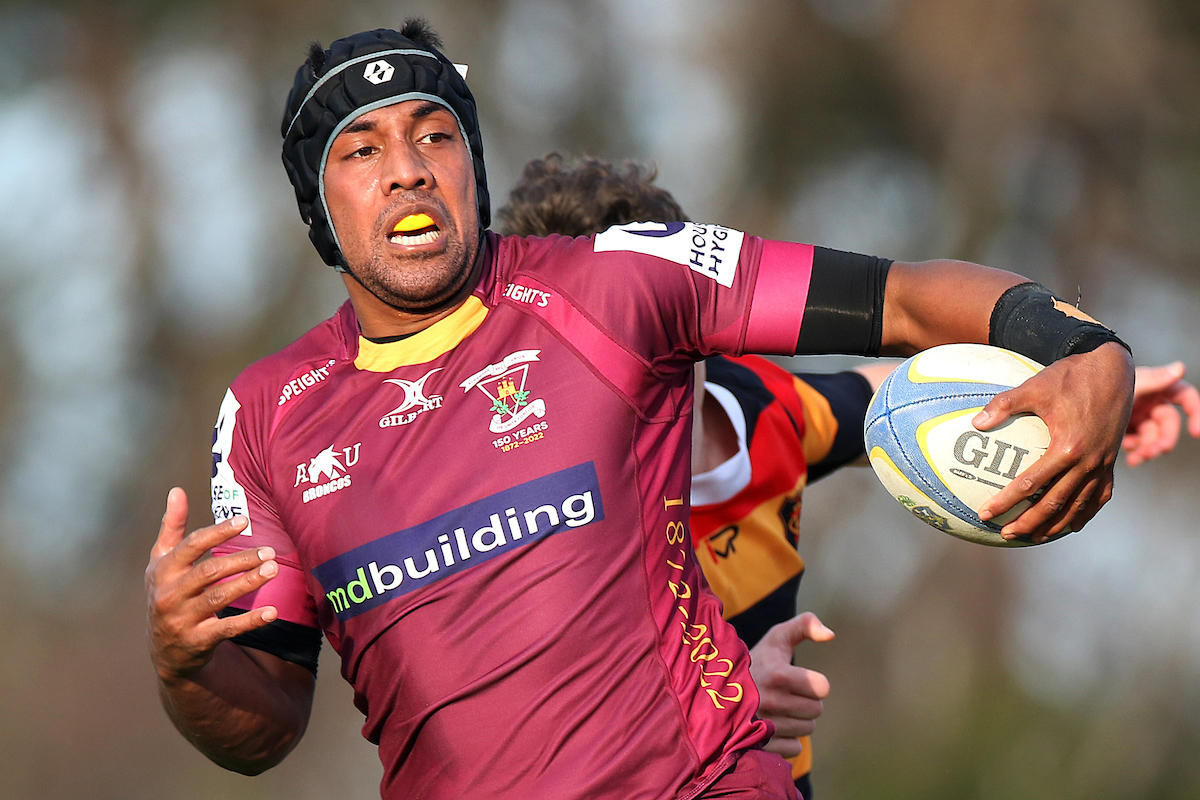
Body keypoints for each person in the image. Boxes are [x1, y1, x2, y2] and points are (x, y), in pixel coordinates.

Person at [145, 21, 1138, 800]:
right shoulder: (268, 414)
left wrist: (1086, 351)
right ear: (319, 208)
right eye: (361, 150)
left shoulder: (617, 284)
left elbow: (905, 300)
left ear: (472, 166)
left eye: (435, 135)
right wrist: (185, 667)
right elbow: (265, 719)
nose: (409, 167)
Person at [493, 153, 1200, 798]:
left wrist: (1075, 396)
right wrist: (723, 698)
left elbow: (903, 399)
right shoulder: (525, 511)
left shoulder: (768, 413)